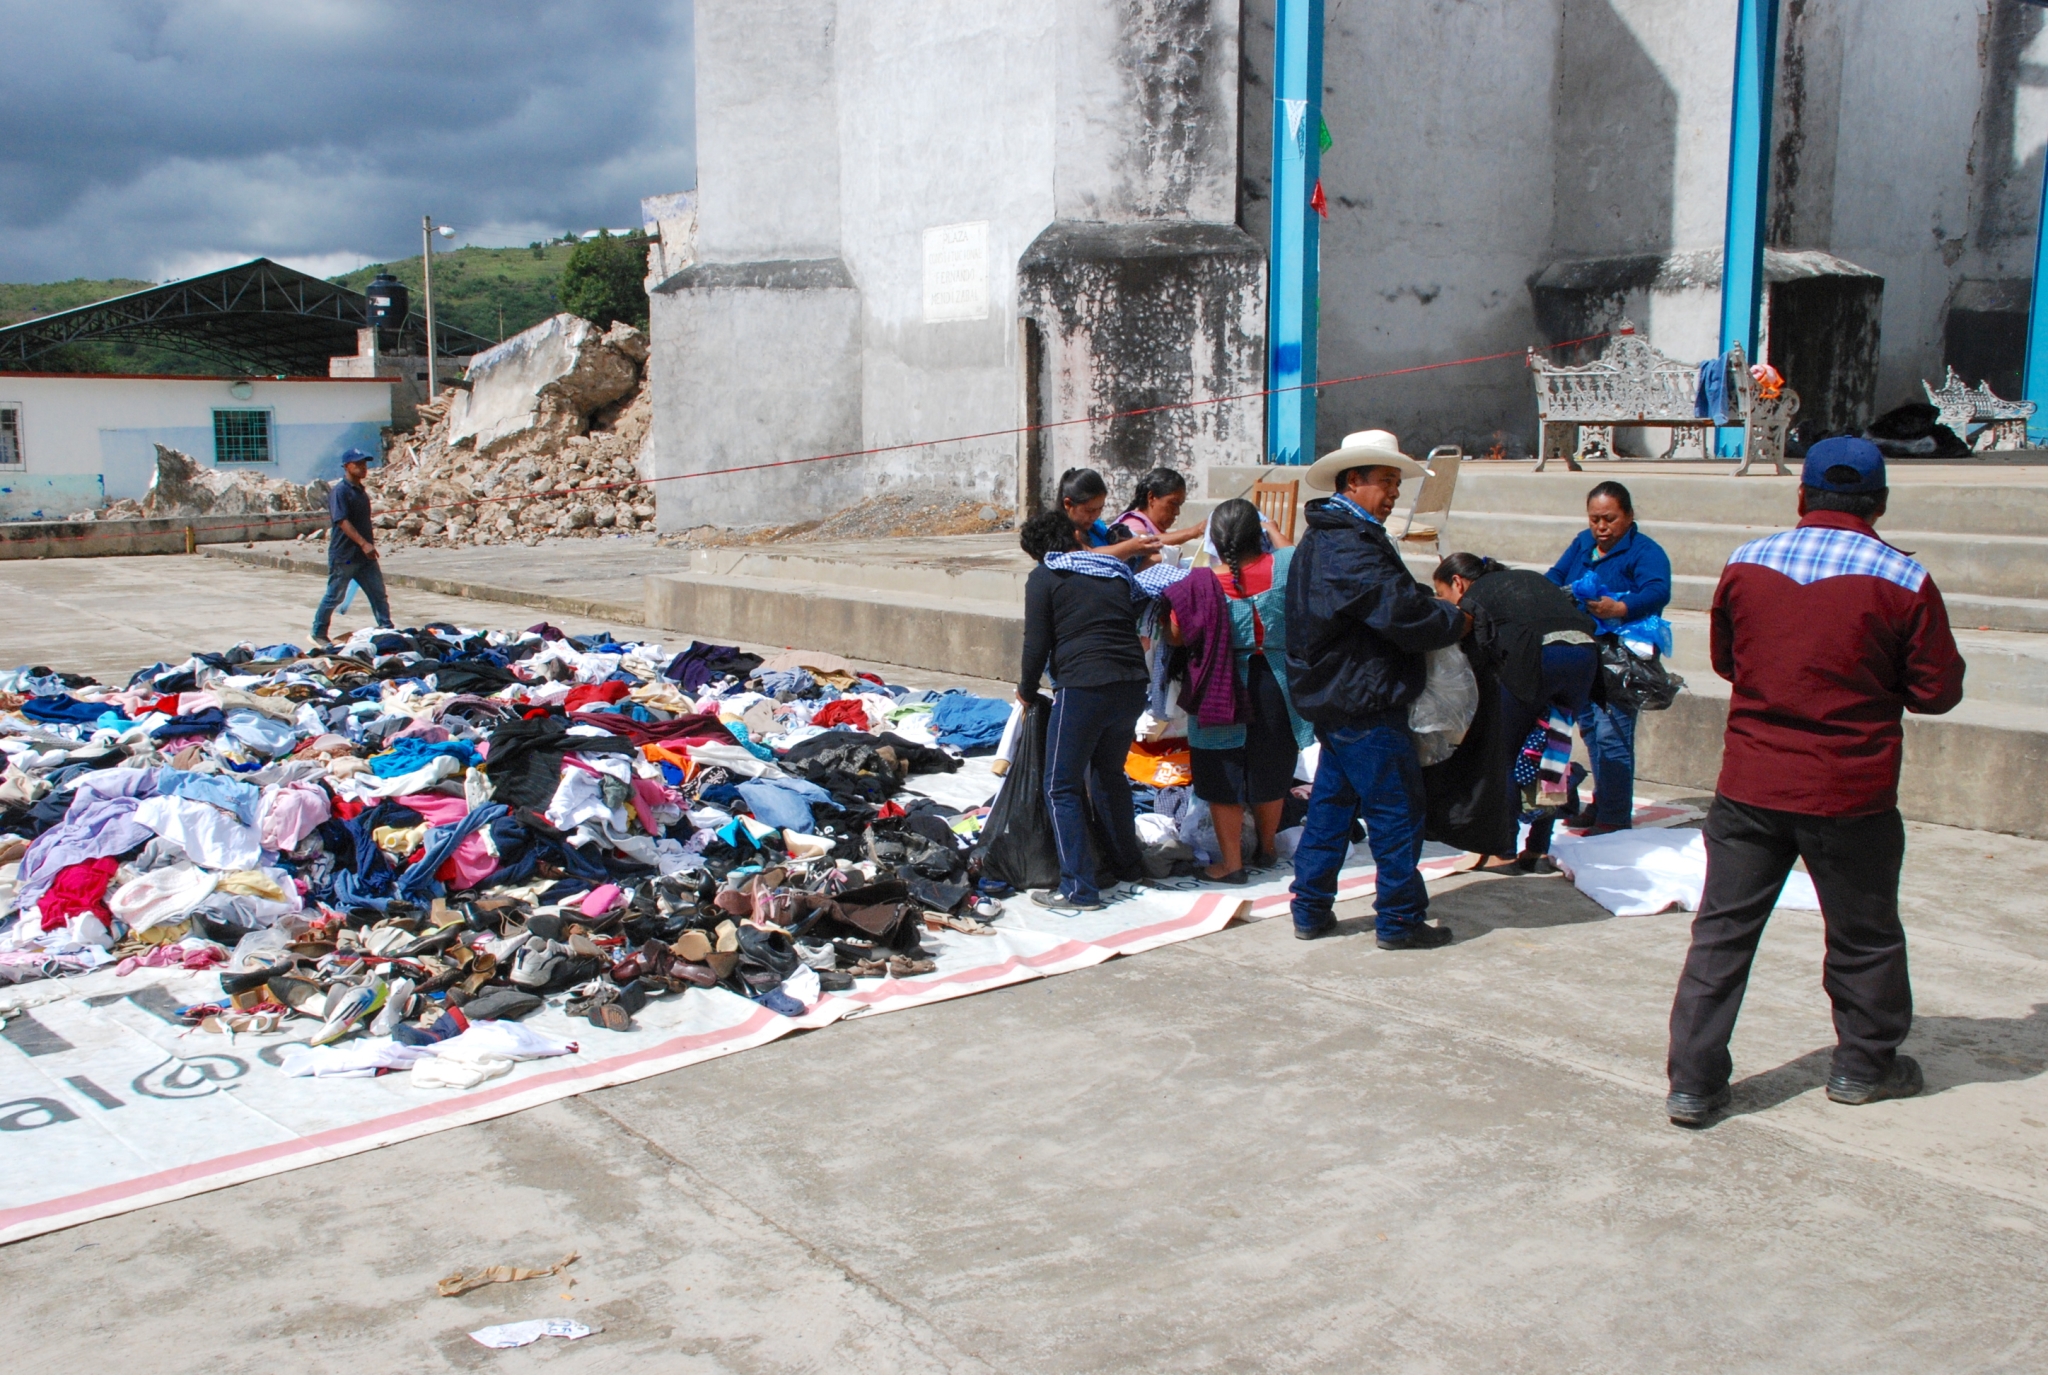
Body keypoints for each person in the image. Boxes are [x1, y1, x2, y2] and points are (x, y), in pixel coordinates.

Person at [1664, 437, 1964, 1127]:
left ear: (1803, 496)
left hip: (1750, 781)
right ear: (1880, 502)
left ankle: (1694, 1081)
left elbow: (1730, 660)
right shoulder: (1903, 580)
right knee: (1864, 934)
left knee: (1722, 934)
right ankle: (1864, 1065)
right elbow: (1936, 691)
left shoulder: (1746, 564)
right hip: (1849, 791)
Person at [1285, 430, 1468, 949]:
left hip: (1340, 695)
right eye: (1385, 483)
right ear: (1353, 482)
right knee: (1395, 814)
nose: (1393, 494)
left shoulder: (1339, 535)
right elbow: (1399, 611)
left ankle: (1311, 908)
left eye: (1395, 484)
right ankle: (1399, 918)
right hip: (1362, 697)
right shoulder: (1347, 543)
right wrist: (1454, 621)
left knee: (1332, 809)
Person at [1164, 498, 1309, 883]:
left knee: (1221, 770)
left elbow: (1177, 636)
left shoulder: (1198, 583)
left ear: (1213, 538)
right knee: (1272, 765)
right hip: (1276, 682)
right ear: (1255, 534)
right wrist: (1272, 527)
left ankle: (1231, 863)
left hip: (1220, 684)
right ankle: (1266, 847)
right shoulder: (1286, 566)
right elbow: (1291, 548)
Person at [1016, 507, 1150, 913]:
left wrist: (1025, 688)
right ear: (1074, 538)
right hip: (1131, 684)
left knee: (1061, 785)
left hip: (1084, 686)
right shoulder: (1109, 571)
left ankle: (1079, 888)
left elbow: (1036, 642)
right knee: (1109, 773)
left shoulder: (1045, 577)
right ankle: (1129, 865)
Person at [1433, 553, 1598, 872]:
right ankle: (1537, 850)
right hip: (1584, 655)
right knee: (1554, 750)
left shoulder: (1475, 596)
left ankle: (1504, 850)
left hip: (1538, 658)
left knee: (1502, 757)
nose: (1448, 604)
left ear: (1458, 583)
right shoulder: (1527, 580)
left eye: (1443, 596)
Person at [1544, 480, 1671, 834]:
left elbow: (1658, 590)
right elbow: (1556, 576)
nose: (1601, 527)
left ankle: (1614, 815)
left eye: (1610, 519)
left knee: (1613, 732)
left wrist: (1621, 607)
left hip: (1620, 658)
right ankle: (1601, 803)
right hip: (1582, 652)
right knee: (1591, 731)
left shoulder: (1645, 552)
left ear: (1629, 516)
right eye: (1594, 519)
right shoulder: (1583, 544)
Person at [311, 448, 396, 648]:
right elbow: (341, 521)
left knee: (378, 594)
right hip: (345, 555)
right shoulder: (340, 492)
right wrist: (363, 543)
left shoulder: (361, 491)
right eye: (358, 464)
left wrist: (367, 546)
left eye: (365, 464)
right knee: (335, 595)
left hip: (365, 557)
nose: (363, 468)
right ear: (347, 466)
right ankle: (319, 632)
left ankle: (387, 627)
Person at [1053, 467, 1161, 563]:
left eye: (1100, 509)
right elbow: (1087, 557)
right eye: (1089, 510)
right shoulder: (1057, 532)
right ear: (1068, 504)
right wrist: (1129, 548)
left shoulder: (1097, 527)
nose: (1095, 516)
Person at [1114, 468, 1206, 555]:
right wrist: (1194, 531)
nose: (1177, 512)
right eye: (1173, 503)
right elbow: (1142, 543)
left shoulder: (1157, 530)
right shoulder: (1133, 522)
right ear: (1151, 497)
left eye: (1179, 505)